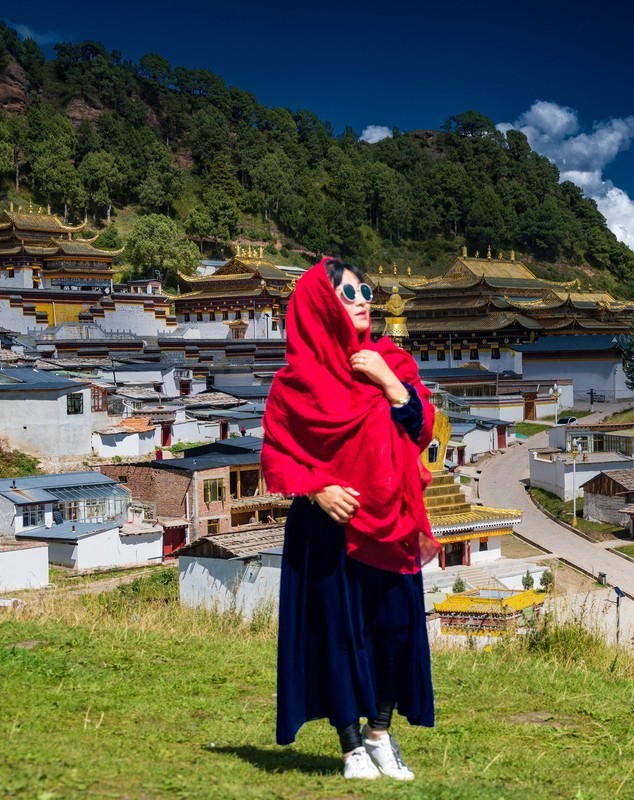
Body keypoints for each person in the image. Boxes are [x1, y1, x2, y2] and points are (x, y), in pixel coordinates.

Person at [263, 257, 440, 781]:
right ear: (321, 306)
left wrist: (389, 382)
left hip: (391, 523)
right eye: (347, 293)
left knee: (395, 627)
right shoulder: (295, 382)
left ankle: (380, 734)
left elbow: (420, 430)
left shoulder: (395, 363)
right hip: (327, 529)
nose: (363, 299)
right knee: (336, 633)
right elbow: (278, 454)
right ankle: (349, 746)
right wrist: (317, 488)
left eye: (364, 289)